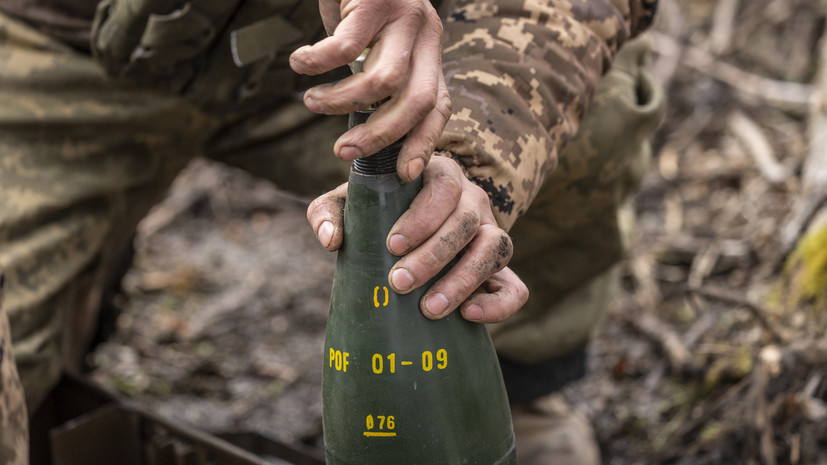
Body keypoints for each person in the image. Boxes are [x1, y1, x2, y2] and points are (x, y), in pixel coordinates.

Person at [0, 1, 664, 464]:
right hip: (54, 52)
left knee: (580, 129)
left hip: (372, 59)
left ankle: (506, 388)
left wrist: (463, 155)